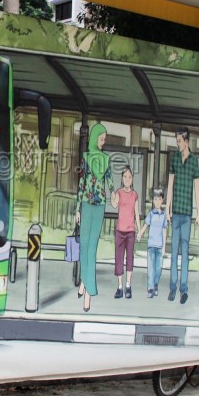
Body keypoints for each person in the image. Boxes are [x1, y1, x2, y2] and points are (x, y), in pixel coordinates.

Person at [75, 123, 112, 313]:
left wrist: (114, 193)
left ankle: (89, 292)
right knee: (84, 247)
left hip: (99, 206)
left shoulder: (106, 159)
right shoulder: (86, 158)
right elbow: (81, 183)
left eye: (104, 139)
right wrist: (77, 208)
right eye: (101, 138)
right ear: (94, 137)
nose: (103, 142)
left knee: (92, 248)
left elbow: (110, 182)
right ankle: (84, 281)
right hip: (86, 205)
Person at [165, 127, 199, 304]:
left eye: (179, 140)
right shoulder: (174, 159)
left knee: (185, 252)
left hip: (187, 214)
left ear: (186, 141)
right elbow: (170, 185)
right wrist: (167, 208)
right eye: (176, 140)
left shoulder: (194, 161)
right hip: (176, 212)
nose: (177, 143)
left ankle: (183, 289)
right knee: (174, 253)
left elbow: (197, 187)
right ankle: (173, 288)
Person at [111, 165, 140, 299]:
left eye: (129, 177)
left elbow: (137, 214)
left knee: (129, 258)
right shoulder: (119, 192)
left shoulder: (134, 195)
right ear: (122, 178)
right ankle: (120, 287)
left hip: (130, 232)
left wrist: (139, 230)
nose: (127, 179)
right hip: (120, 231)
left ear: (132, 179)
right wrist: (112, 195)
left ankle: (128, 285)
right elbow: (114, 204)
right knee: (119, 258)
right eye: (125, 177)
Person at [138, 188, 168, 298]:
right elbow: (146, 225)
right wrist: (140, 233)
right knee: (151, 268)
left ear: (162, 201)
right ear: (153, 201)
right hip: (151, 246)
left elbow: (165, 231)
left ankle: (155, 284)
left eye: (159, 199)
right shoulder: (151, 214)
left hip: (159, 246)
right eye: (155, 199)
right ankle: (150, 289)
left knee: (158, 269)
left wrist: (164, 246)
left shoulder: (164, 215)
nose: (157, 201)